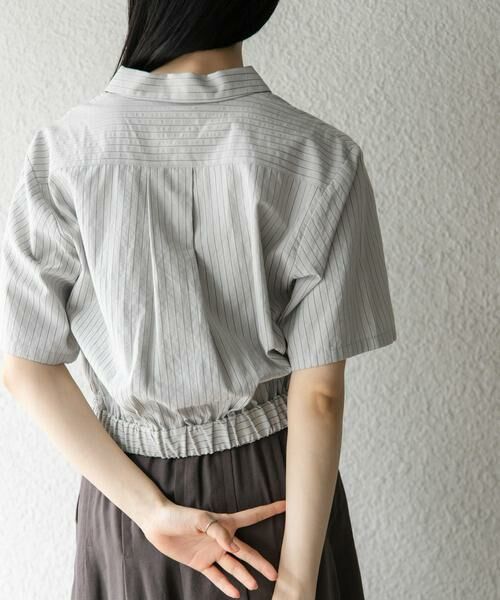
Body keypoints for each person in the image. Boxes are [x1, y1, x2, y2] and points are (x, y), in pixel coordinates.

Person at [0, 1, 397, 599]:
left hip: (129, 502)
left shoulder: (63, 153)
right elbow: (318, 397)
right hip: (273, 497)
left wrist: (150, 511)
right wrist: (296, 584)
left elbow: (25, 367)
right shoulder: (321, 156)